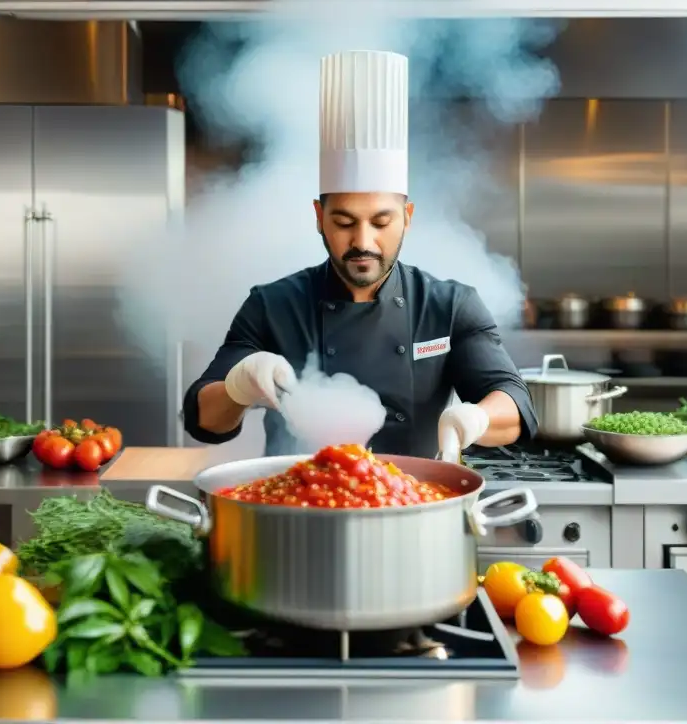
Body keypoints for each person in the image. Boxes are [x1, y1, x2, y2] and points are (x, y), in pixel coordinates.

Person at [182, 50, 538, 460]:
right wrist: (238, 386)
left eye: (381, 222)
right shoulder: (273, 305)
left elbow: (516, 404)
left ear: (407, 217)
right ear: (319, 217)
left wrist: (471, 420)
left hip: (414, 504)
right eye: (345, 221)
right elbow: (203, 419)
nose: (363, 241)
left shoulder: (449, 305)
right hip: (297, 509)